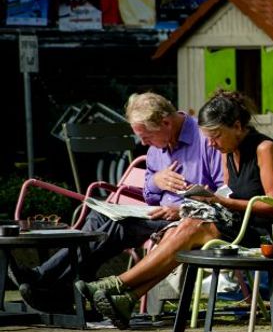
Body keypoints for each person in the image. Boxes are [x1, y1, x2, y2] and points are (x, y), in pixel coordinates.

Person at [75, 90, 273, 329]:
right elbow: (229, 194)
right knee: (180, 228)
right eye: (208, 138)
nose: (211, 144)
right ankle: (127, 299)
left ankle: (117, 283)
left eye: (216, 136)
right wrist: (205, 201)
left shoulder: (264, 149)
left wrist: (222, 202)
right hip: (233, 222)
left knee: (189, 227)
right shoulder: (228, 151)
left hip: (262, 232)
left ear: (237, 126)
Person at [13, 93, 223, 311]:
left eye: (147, 137)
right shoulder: (155, 150)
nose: (143, 143)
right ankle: (65, 291)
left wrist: (181, 208)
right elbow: (149, 195)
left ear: (166, 123)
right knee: (98, 217)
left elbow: (223, 193)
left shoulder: (206, 139)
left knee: (117, 226)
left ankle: (46, 279)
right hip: (155, 213)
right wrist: (156, 182)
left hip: (188, 221)